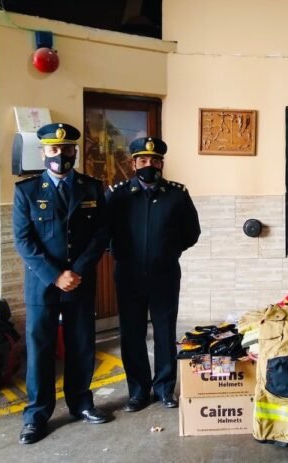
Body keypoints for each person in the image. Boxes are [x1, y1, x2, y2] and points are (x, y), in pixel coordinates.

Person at [12, 123, 110, 444]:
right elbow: (24, 241)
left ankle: (81, 403)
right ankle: (37, 415)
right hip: (42, 284)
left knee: (81, 343)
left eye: (67, 149)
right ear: (43, 153)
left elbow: (100, 236)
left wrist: (77, 271)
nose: (60, 155)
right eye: (53, 150)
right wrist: (56, 275)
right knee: (39, 348)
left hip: (80, 281)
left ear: (75, 151)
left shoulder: (92, 188)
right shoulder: (26, 191)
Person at [106, 136, 200, 412]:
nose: (150, 165)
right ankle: (137, 391)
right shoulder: (118, 195)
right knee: (132, 333)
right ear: (133, 163)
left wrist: (168, 251)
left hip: (164, 274)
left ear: (162, 163)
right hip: (129, 275)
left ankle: (164, 389)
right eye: (144, 160)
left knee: (164, 330)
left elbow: (191, 232)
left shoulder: (177, 194)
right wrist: (120, 253)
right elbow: (104, 231)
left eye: (155, 160)